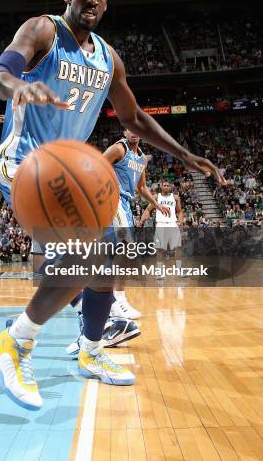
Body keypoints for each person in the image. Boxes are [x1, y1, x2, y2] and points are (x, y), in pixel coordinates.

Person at [0, 0, 225, 410]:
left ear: (107, 2)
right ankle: (15, 343)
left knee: (106, 255)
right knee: (82, 249)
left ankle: (92, 351)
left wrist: (185, 154)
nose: (91, 0)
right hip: (23, 163)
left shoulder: (109, 58)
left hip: (67, 173)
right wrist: (15, 84)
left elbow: (132, 118)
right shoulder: (43, 30)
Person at [65, 128, 171, 358]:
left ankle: (113, 304)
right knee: (121, 250)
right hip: (111, 200)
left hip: (126, 205)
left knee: (117, 253)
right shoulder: (118, 148)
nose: (134, 132)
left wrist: (157, 203)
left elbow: (141, 188)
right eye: (130, 129)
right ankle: (114, 305)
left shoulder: (141, 158)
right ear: (125, 130)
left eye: (137, 129)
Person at [138, 180, 183, 269]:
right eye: (164, 185)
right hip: (160, 224)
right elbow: (147, 210)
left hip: (172, 223)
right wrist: (141, 221)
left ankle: (179, 268)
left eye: (168, 185)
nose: (166, 187)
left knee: (178, 247)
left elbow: (180, 211)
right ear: (161, 187)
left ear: (170, 187)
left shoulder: (175, 197)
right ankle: (159, 270)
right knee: (160, 249)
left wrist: (180, 222)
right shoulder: (156, 197)